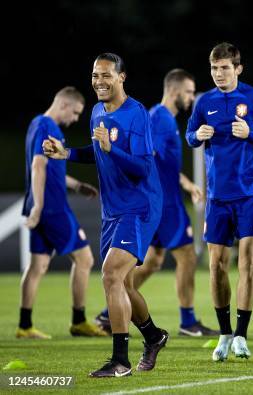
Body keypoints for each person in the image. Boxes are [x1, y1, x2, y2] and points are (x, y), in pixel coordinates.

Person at [43, 53, 168, 377]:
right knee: (123, 285)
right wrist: (67, 153)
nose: (99, 81)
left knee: (111, 274)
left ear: (122, 77)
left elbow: (142, 166)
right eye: (95, 75)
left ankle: (120, 361)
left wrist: (114, 150)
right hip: (112, 208)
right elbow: (97, 151)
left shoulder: (137, 114)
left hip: (140, 206)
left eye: (106, 75)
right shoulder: (97, 111)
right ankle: (154, 336)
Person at [95, 69, 218, 337]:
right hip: (163, 203)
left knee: (152, 261)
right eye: (188, 92)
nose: (190, 97)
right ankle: (188, 321)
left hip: (166, 198)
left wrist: (185, 183)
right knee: (187, 256)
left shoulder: (165, 119)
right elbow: (146, 157)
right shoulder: (159, 119)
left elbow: (163, 163)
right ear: (175, 91)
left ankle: (109, 311)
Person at [185, 42, 253, 361]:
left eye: (225, 68)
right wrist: (196, 136)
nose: (219, 74)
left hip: (251, 193)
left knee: (248, 263)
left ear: (238, 69)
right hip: (217, 196)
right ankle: (224, 334)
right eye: (214, 68)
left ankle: (242, 335)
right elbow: (189, 135)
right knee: (216, 266)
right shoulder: (204, 102)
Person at [19, 87, 105, 339]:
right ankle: (79, 321)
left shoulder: (36, 123)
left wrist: (76, 185)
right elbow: (38, 165)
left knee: (38, 265)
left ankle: (24, 326)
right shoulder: (49, 127)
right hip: (53, 208)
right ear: (64, 105)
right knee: (85, 259)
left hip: (43, 205)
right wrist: (39, 206)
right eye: (76, 112)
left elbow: (51, 168)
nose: (76, 118)